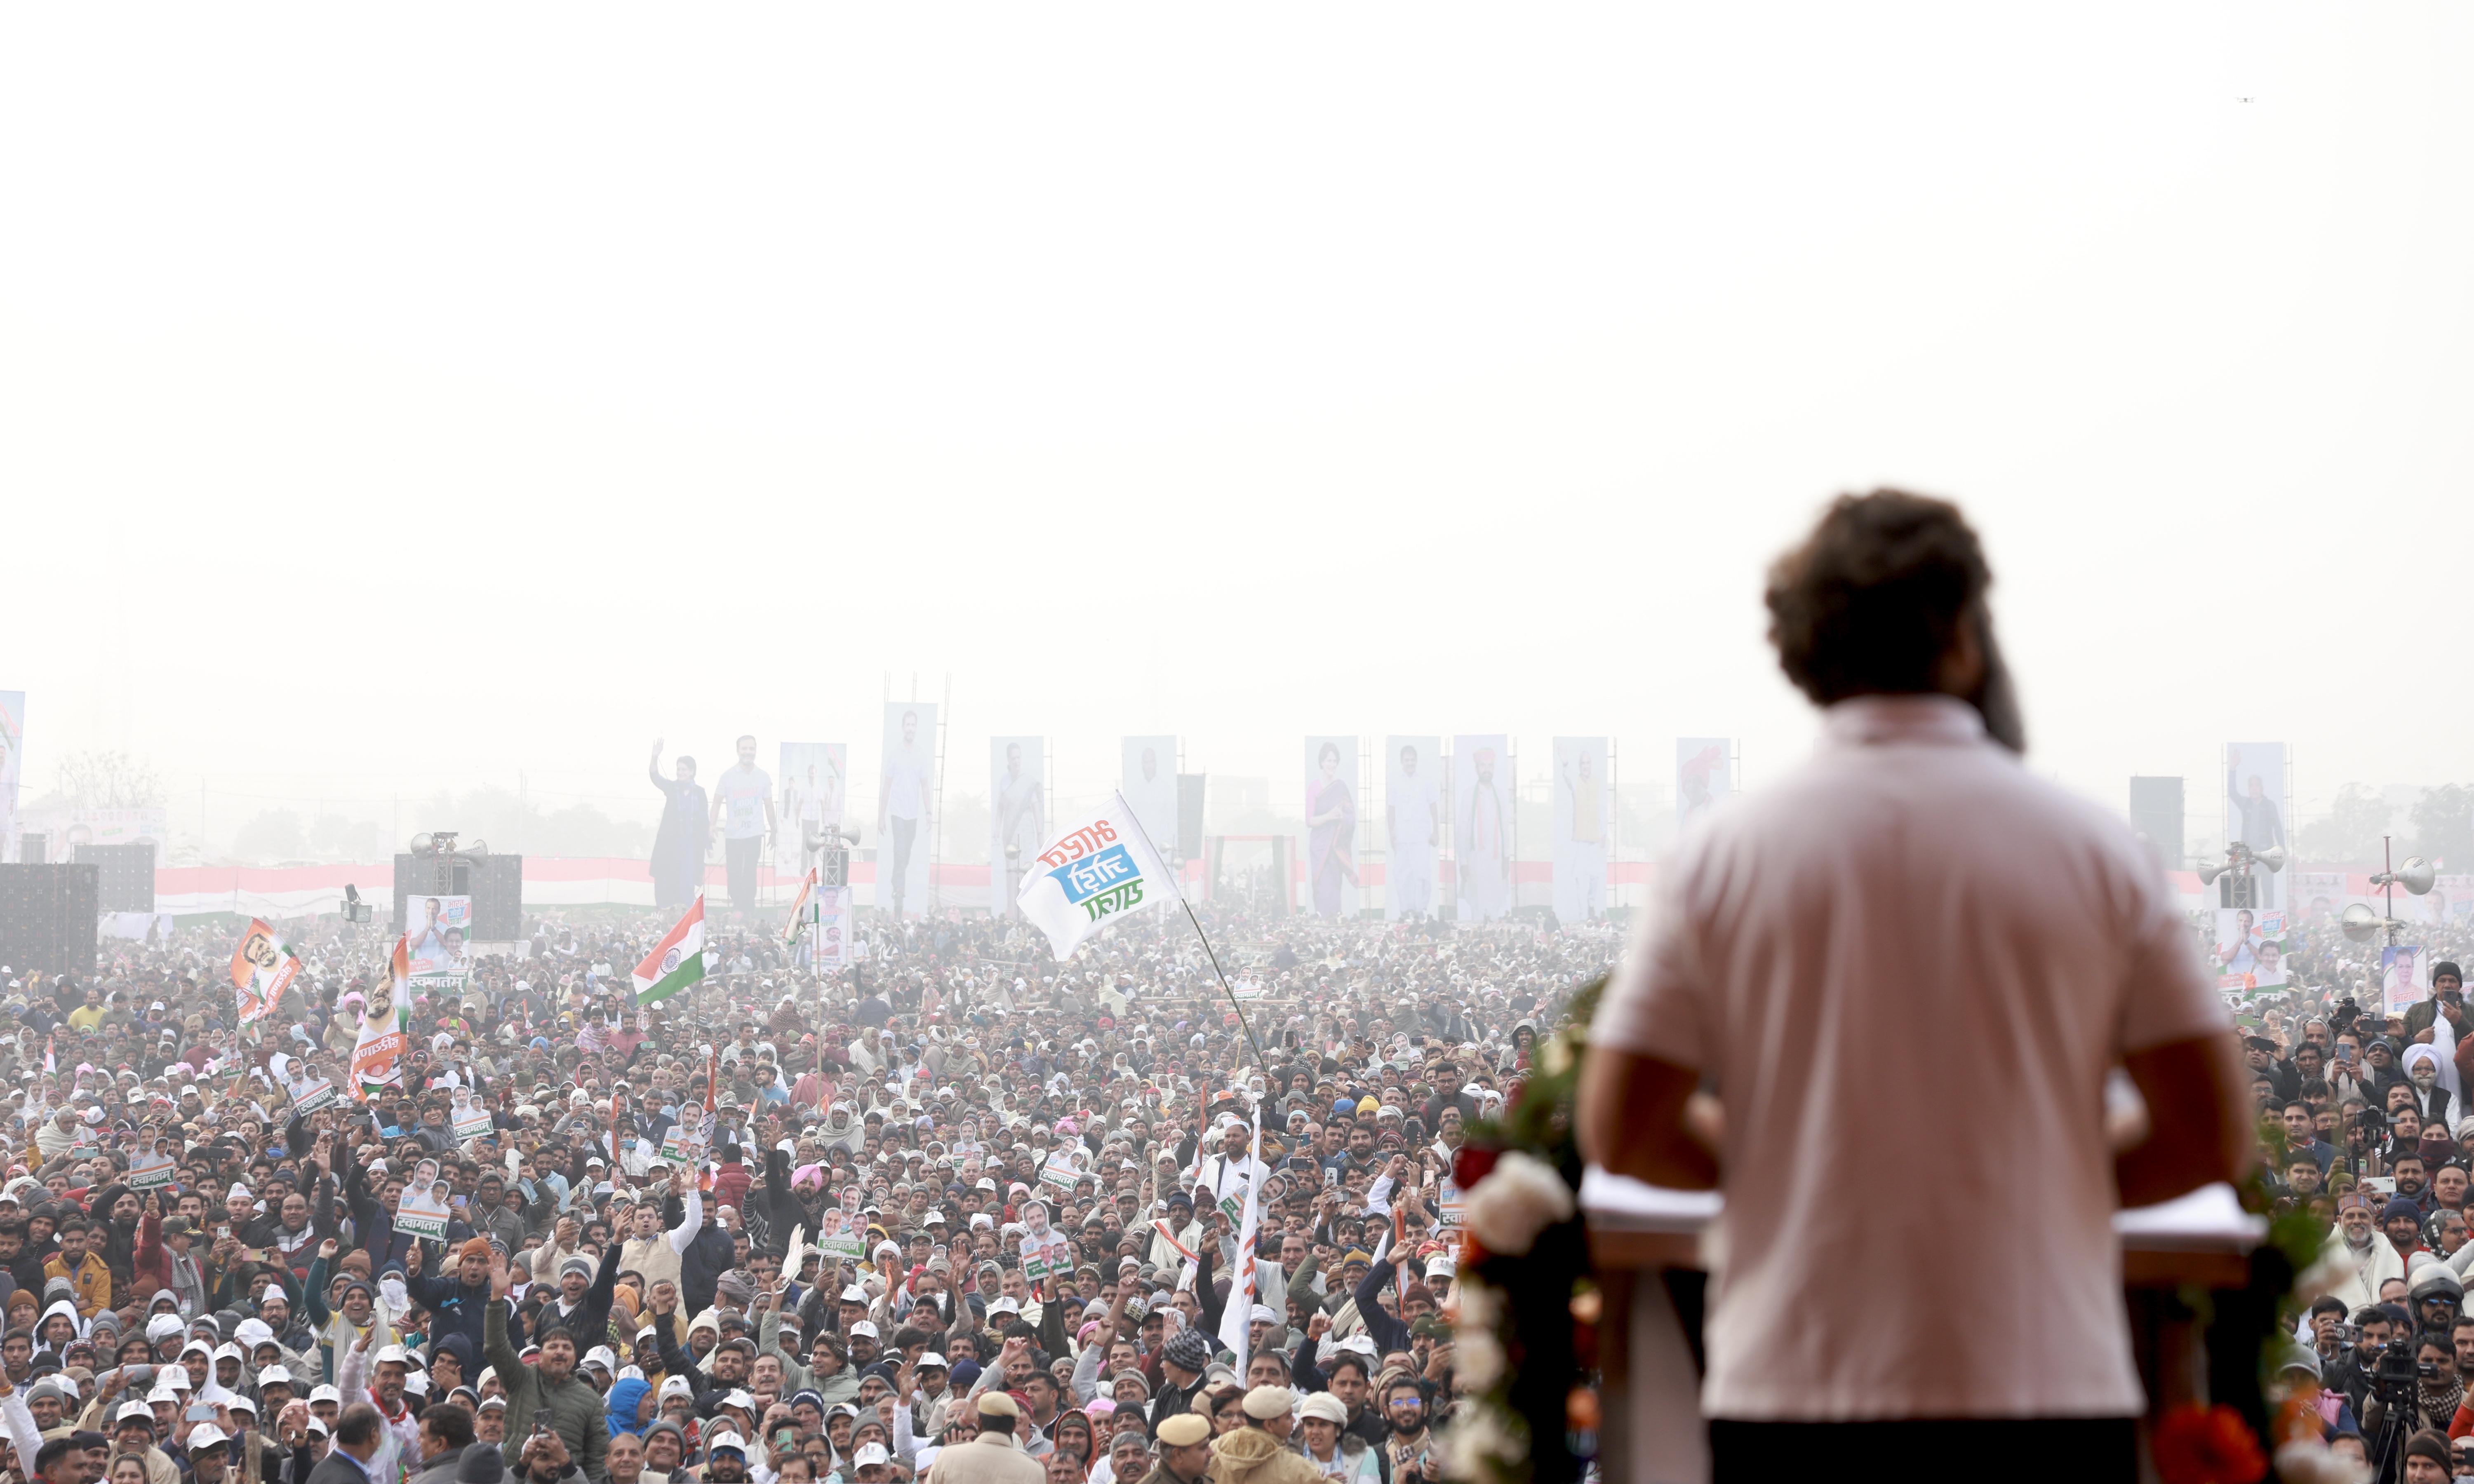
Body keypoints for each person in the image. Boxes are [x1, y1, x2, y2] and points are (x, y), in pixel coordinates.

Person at [1578, 490, 2253, 1483]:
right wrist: (2043, 1169)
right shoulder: (2096, 850)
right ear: (1962, 634)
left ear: (1803, 651)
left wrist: (1787, 1162)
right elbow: (2206, 1137)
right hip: (2044, 1381)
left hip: (1795, 1385)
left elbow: (1626, 1131)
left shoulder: (1717, 859)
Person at [710, 737, 777, 919]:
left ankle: (746, 909)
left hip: (754, 832)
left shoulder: (763, 777)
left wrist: (774, 831)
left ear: (756, 750)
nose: (748, 752)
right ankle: (740, 905)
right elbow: (717, 802)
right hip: (733, 833)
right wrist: (712, 825)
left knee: (750, 870)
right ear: (738, 751)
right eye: (744, 749)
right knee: (733, 871)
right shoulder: (728, 776)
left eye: (751, 748)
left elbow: (769, 805)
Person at [879, 711, 933, 920]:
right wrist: (881, 815)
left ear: (916, 728)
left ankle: (897, 882)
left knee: (907, 853)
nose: (910, 729)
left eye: (913, 725)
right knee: (900, 852)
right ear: (903, 728)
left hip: (913, 814)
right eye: (907, 725)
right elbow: (887, 786)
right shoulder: (894, 755)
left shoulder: (921, 755)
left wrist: (929, 812)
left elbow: (926, 786)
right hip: (897, 812)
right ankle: (898, 889)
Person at [648, 743, 711, 912]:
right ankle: (666, 910)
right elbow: (655, 777)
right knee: (667, 875)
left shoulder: (700, 792)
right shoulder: (672, 788)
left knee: (687, 877)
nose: (681, 773)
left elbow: (705, 820)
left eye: (684, 770)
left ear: (692, 772)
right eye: (679, 770)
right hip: (670, 843)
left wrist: (708, 844)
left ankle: (686, 912)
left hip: (691, 843)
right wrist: (655, 757)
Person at [1454, 747, 1509, 922]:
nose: (1487, 769)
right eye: (1483, 765)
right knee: (1477, 906)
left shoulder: (1499, 795)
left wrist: (1507, 858)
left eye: (1490, 765)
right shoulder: (1469, 795)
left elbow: (1505, 829)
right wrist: (1463, 861)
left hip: (1496, 860)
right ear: (1477, 769)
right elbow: (1462, 830)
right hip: (1475, 860)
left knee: (1494, 905)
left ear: (1494, 768)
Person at [1385, 747, 1438, 921]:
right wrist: (1392, 832)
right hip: (1401, 836)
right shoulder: (1395, 783)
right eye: (1407, 760)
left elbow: (1433, 807)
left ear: (1416, 761)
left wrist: (1436, 830)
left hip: (1421, 835)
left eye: (1412, 760)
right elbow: (1391, 809)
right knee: (1401, 874)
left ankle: (1419, 908)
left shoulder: (1425, 781)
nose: (1410, 763)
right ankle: (1404, 909)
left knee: (1421, 873)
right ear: (1402, 762)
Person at [1305, 744, 1356, 919]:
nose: (1332, 764)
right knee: (1321, 882)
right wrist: (1329, 816)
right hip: (1319, 845)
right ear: (1322, 762)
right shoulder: (1314, 787)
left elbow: (1351, 816)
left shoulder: (1341, 787)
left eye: (1335, 761)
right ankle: (1320, 917)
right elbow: (1309, 820)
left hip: (1336, 843)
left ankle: (1335, 918)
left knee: (1335, 883)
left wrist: (1342, 816)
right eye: (1329, 760)